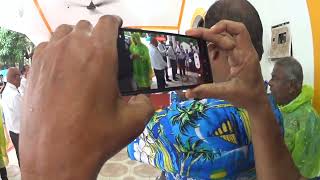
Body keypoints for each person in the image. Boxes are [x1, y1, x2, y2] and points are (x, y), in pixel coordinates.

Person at [20, 15, 304, 180]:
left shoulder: (197, 123)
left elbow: (138, 145)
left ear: (214, 50)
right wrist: (255, 100)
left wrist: (45, 172)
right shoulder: (269, 110)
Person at [269, 57, 320, 178]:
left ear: (291, 86)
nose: (270, 82)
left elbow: (304, 172)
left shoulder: (308, 119)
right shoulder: (279, 109)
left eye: (275, 78)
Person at [2, 67, 21, 165]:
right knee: (25, 160)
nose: (21, 80)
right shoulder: (14, 95)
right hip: (20, 133)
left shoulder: (5, 91)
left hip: (13, 131)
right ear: (16, 78)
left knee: (20, 158)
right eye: (20, 77)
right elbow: (23, 115)